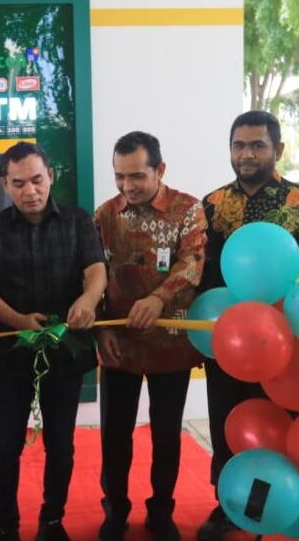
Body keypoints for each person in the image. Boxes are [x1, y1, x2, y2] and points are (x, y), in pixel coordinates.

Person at [197, 111, 299, 541]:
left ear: (277, 150)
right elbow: (199, 277)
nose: (247, 154)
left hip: (289, 349)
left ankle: (280, 508)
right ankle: (228, 505)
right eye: (239, 145)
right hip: (228, 341)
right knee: (228, 422)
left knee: (282, 425)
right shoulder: (211, 206)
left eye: (257, 145)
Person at [0, 141, 106, 541]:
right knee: (6, 445)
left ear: (52, 177)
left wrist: (88, 298)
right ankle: (5, 524)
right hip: (10, 352)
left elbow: (96, 269)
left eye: (37, 180)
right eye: (19, 183)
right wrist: (18, 321)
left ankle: (52, 520)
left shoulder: (78, 221)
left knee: (61, 444)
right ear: (4, 185)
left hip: (65, 351)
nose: (30, 190)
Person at [94, 131, 207, 541]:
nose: (128, 186)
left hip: (170, 345)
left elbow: (192, 261)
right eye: (120, 177)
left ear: (160, 169)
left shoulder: (187, 209)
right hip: (117, 344)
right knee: (115, 435)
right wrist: (96, 331)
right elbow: (93, 276)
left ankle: (162, 510)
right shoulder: (105, 215)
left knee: (166, 433)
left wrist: (160, 298)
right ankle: (115, 509)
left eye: (137, 176)